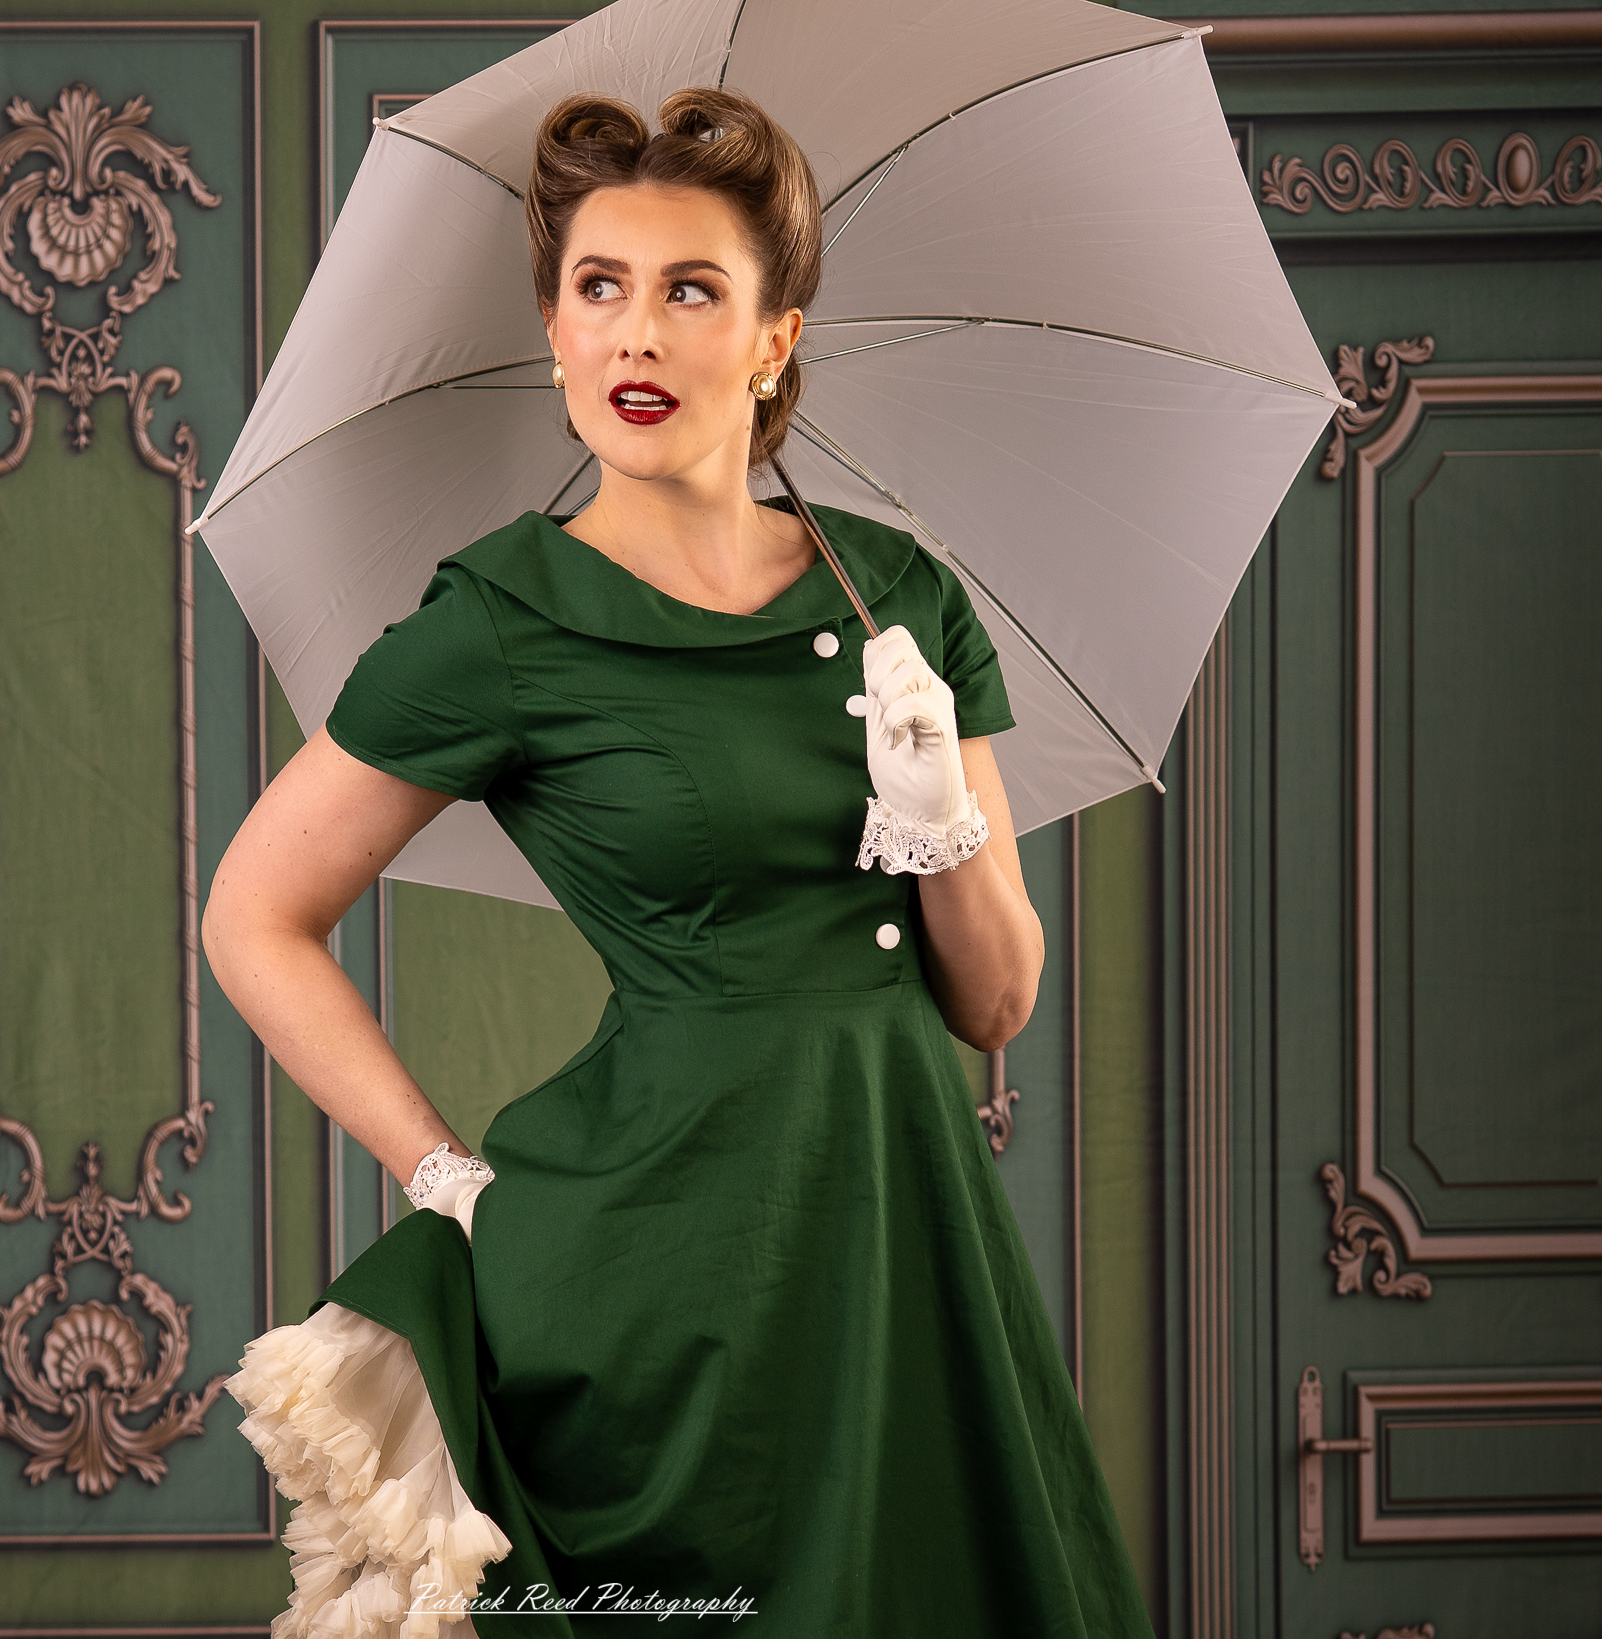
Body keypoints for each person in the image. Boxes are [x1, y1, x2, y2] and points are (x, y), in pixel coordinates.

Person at [204, 86, 1156, 1639]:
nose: (636, 335)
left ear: (775, 337)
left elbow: (994, 1002)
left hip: (901, 1234)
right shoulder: (499, 625)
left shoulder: (901, 593)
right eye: (600, 290)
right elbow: (255, 914)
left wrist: (936, 808)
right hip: (647, 1277)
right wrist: (439, 1171)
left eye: (691, 290)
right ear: (558, 333)